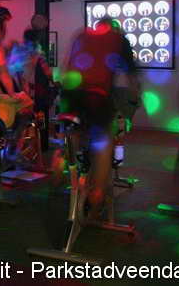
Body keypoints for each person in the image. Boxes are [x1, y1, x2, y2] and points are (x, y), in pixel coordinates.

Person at [61, 17, 139, 217]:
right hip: (96, 94)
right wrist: (134, 100)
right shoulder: (119, 40)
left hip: (71, 94)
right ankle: (97, 193)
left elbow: (66, 66)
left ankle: (63, 163)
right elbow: (131, 76)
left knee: (74, 130)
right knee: (104, 141)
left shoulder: (82, 35)